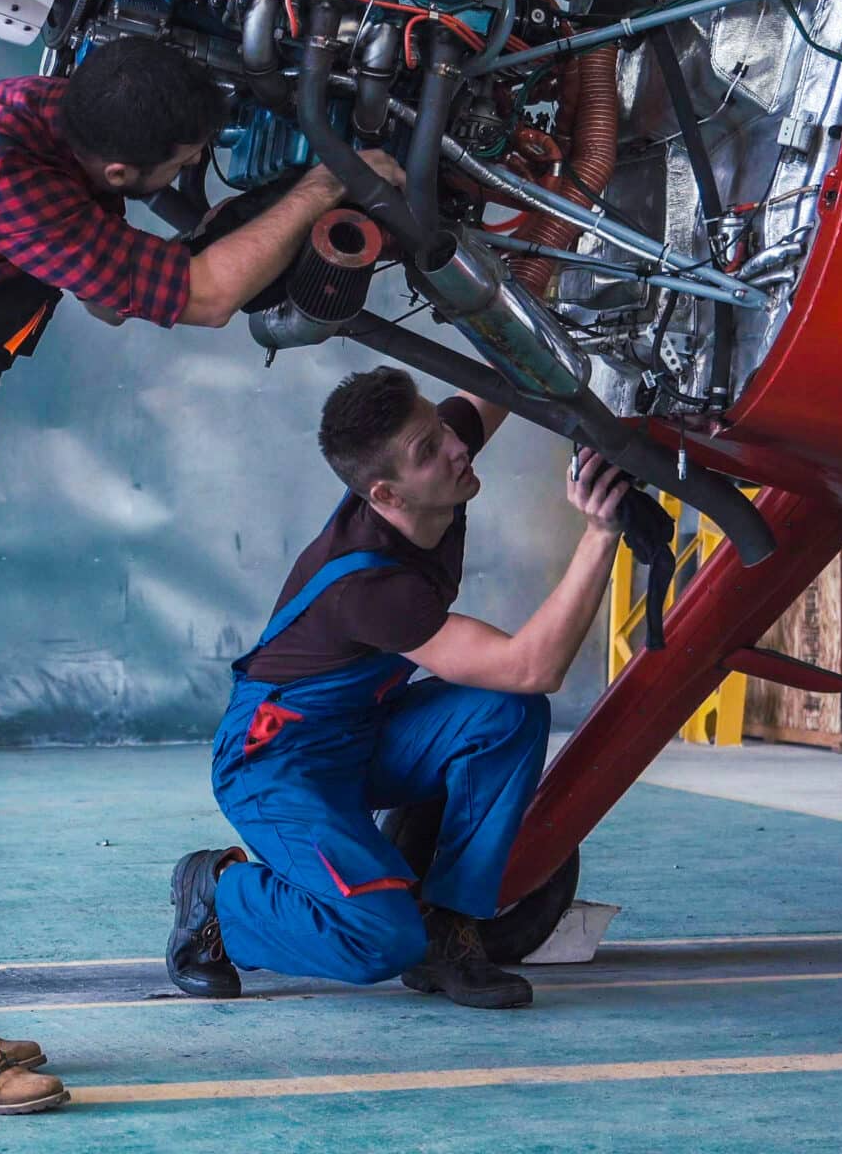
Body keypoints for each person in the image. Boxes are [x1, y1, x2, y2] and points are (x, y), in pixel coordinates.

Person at [0, 35, 400, 1115]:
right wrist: (327, 184)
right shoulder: (13, 180)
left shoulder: (49, 110)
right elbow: (195, 298)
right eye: (177, 165)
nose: (181, 181)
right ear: (117, 168)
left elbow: (114, 288)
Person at [166, 366, 632, 1010]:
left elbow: (500, 378)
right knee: (379, 940)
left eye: (439, 426)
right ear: (386, 494)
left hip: (360, 732)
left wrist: (536, 283)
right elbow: (534, 665)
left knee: (505, 712)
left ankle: (450, 927)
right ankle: (222, 894)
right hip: (276, 765)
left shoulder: (431, 471)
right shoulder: (371, 589)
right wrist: (603, 531)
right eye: (429, 449)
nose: (455, 445)